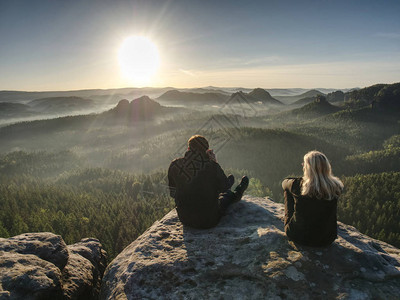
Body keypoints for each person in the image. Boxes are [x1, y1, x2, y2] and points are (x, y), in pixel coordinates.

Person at [168, 135, 249, 229]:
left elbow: (172, 193)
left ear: (189, 148)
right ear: (207, 151)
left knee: (220, 188)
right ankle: (238, 191)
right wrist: (214, 162)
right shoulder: (212, 166)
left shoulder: (175, 165)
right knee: (227, 196)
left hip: (185, 219)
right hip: (209, 221)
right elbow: (224, 188)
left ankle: (228, 182)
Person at [282, 151, 344, 247]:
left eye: (304, 164)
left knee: (288, 191)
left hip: (299, 236)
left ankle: (292, 221)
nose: (302, 166)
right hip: (326, 239)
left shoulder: (298, 185)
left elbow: (284, 183)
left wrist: (296, 180)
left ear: (308, 168)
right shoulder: (336, 186)